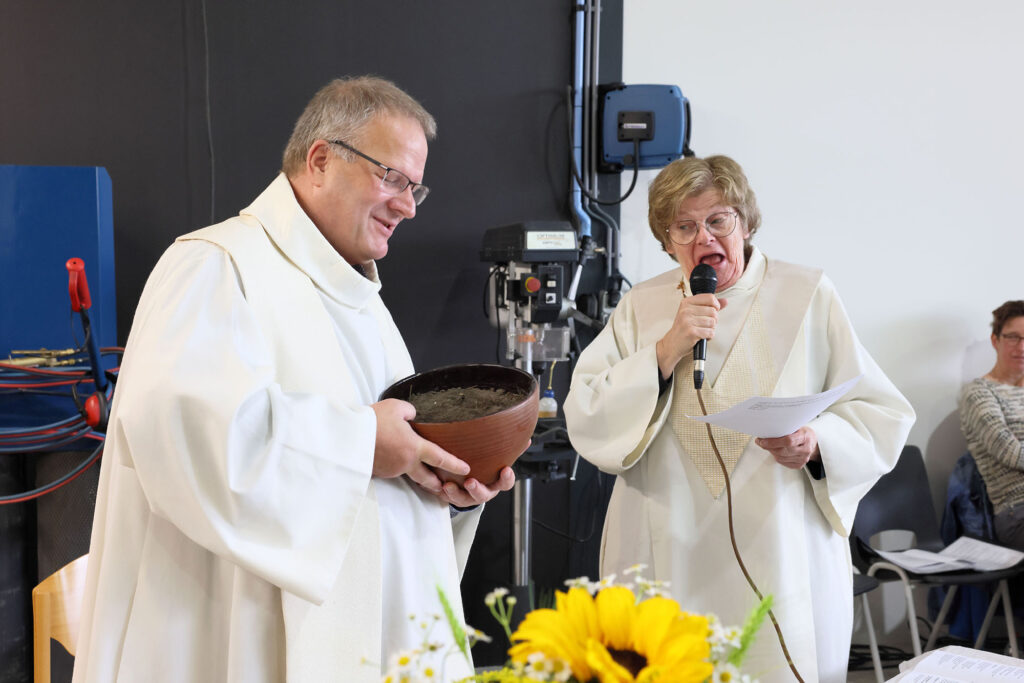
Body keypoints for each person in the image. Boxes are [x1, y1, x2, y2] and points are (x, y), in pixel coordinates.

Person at [72, 76, 516, 683]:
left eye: (416, 188)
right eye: (392, 178)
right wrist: (361, 444)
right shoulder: (216, 266)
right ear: (321, 159)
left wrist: (444, 486)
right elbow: (184, 434)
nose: (408, 206)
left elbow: (389, 479)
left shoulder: (364, 305)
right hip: (234, 634)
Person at [563, 155, 915, 682]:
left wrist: (816, 443)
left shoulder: (807, 294)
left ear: (745, 223)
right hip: (666, 543)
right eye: (684, 226)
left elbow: (879, 409)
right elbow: (586, 411)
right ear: (666, 242)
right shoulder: (642, 306)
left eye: (718, 220)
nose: (703, 237)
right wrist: (665, 351)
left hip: (779, 542)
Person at [960, 300, 1024, 549]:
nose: (1021, 347)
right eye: (1013, 337)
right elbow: (1011, 452)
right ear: (995, 340)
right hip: (1016, 512)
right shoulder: (979, 392)